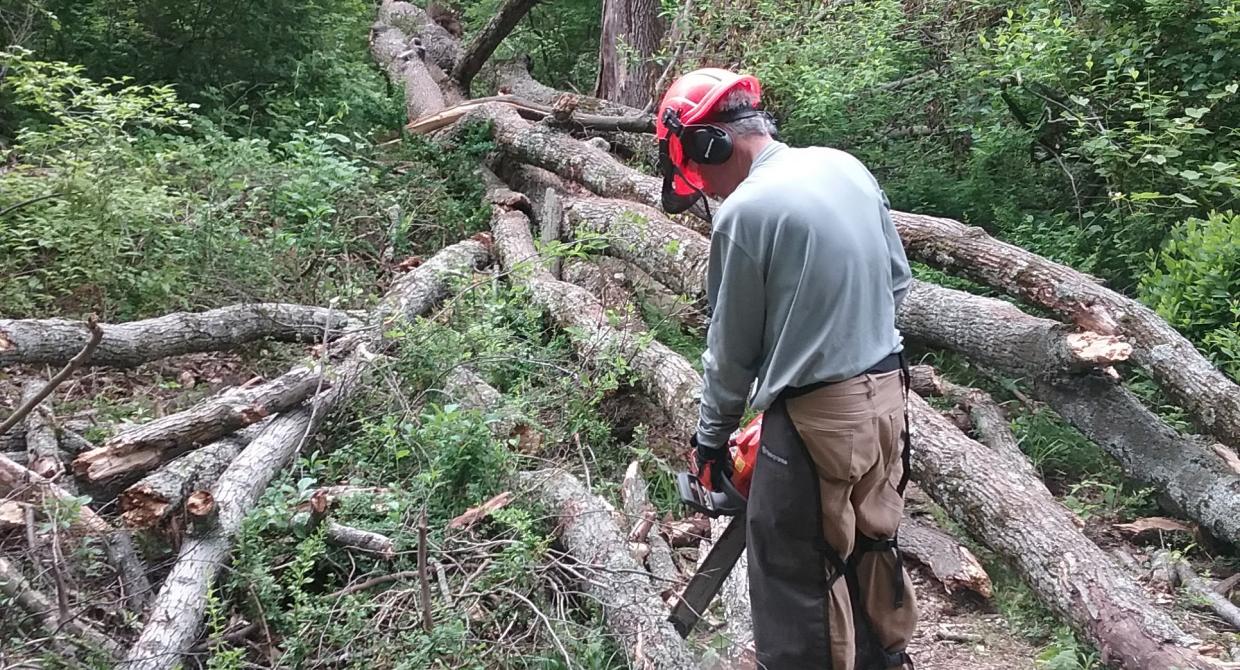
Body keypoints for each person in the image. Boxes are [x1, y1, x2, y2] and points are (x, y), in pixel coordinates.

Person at [655, 68, 919, 669]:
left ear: (711, 144)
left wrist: (711, 439)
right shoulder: (842, 165)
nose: (709, 190)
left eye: (701, 172)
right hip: (887, 398)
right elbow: (898, 283)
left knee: (795, 574)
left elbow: (730, 352)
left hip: (818, 419)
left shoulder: (747, 211)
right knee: (869, 544)